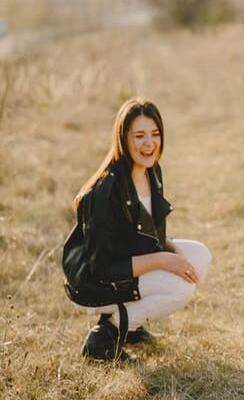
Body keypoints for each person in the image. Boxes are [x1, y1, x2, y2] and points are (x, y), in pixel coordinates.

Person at [62, 98, 212, 361]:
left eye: (155, 134)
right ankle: (108, 332)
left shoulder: (152, 172)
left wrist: (173, 252)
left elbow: (147, 237)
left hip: (126, 265)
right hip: (95, 282)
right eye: (139, 135)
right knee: (180, 289)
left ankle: (131, 326)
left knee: (199, 256)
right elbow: (103, 267)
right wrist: (164, 260)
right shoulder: (106, 191)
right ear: (123, 138)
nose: (149, 143)